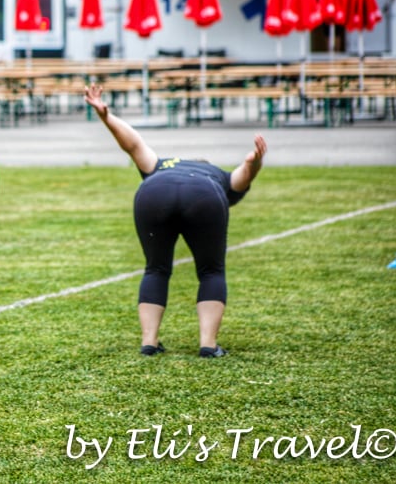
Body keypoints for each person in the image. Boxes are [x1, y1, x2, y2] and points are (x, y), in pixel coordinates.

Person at [83, 82, 267, 358]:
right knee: (211, 271)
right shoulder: (216, 174)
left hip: (154, 190)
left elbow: (133, 144)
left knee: (156, 269)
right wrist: (254, 162)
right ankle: (208, 345)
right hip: (204, 195)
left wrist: (106, 116)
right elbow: (243, 177)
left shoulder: (162, 164)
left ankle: (149, 342)